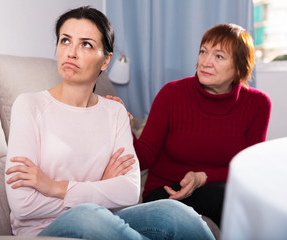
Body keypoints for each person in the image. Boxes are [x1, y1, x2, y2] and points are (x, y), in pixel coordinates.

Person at [5, 6, 215, 240]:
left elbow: (129, 191)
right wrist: (101, 186)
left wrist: (55, 187)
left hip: (103, 218)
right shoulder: (29, 105)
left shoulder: (114, 111)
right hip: (43, 231)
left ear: (105, 61)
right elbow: (23, 205)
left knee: (176, 213)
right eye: (65, 40)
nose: (71, 52)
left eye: (86, 44)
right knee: (89, 213)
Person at [108, 23, 271, 227]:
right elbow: (145, 157)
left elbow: (249, 167)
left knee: (251, 198)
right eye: (203, 52)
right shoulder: (172, 94)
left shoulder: (258, 104)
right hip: (167, 192)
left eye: (219, 56)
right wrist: (125, 130)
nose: (205, 62)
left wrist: (203, 177)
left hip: (217, 187)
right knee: (227, 199)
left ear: (240, 67)